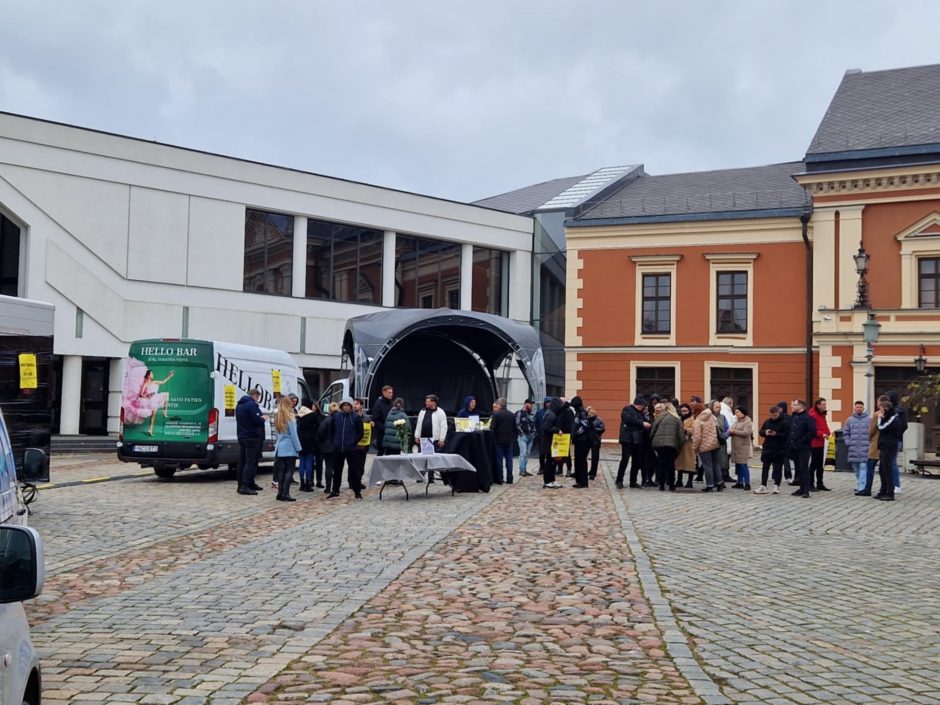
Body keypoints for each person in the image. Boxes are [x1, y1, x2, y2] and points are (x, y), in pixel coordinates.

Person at [327, 397, 364, 499]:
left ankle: (357, 491)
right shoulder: (336, 417)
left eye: (348, 405)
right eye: (344, 405)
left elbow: (360, 433)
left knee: (354, 471)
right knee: (337, 470)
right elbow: (331, 431)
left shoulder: (356, 418)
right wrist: (334, 442)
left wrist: (353, 442)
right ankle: (335, 490)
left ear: (351, 406)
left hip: (351, 449)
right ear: (341, 406)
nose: (346, 407)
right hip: (338, 448)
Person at [235, 388, 265, 495]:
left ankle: (242, 484)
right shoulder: (252, 405)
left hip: (242, 435)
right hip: (251, 437)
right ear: (255, 395)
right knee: (250, 462)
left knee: (242, 461)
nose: (257, 400)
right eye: (258, 398)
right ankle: (245, 485)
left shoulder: (239, 405)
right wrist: (263, 418)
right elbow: (257, 420)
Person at [616, 396, 650, 489]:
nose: (642, 407)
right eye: (641, 405)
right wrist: (642, 423)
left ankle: (633, 481)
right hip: (627, 439)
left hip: (637, 439)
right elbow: (628, 419)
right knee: (625, 460)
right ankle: (619, 480)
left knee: (636, 461)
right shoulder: (627, 409)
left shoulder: (640, 413)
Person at [875, 399, 906, 501]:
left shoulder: (894, 418)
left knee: (888, 470)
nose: (880, 411)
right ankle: (883, 490)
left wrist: (879, 418)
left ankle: (890, 492)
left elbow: (881, 428)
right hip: (884, 445)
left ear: (885, 409)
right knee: (882, 470)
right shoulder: (887, 417)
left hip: (890, 446)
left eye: (881, 409)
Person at [650, 401, 684, 491]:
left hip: (659, 444)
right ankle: (671, 484)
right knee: (671, 464)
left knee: (661, 463)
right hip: (672, 444)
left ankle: (661, 484)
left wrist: (652, 441)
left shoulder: (660, 417)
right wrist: (680, 444)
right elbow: (681, 434)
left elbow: (653, 430)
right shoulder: (677, 419)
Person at [273, 396, 302, 502]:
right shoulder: (290, 417)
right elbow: (294, 435)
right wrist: (299, 448)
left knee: (281, 471)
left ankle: (280, 493)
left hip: (280, 448)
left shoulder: (278, 416)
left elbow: (277, 434)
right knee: (289, 471)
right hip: (289, 447)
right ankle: (286, 493)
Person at [755, 405, 789, 494]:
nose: (773, 417)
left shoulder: (784, 423)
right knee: (765, 468)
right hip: (767, 448)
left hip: (779, 449)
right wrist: (765, 432)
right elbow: (761, 432)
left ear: (779, 413)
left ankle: (776, 486)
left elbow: (786, 435)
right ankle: (763, 486)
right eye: (771, 415)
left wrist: (776, 434)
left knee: (778, 468)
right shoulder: (767, 422)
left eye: (775, 415)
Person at [788, 399, 816, 498]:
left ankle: (806, 490)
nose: (792, 406)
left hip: (804, 447)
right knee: (798, 469)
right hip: (794, 447)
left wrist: (802, 440)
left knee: (804, 468)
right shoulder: (794, 417)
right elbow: (791, 431)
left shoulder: (808, 418)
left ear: (801, 406)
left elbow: (812, 432)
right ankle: (801, 488)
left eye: (795, 405)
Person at [842, 400, 871, 495]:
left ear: (863, 408)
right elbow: (845, 432)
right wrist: (848, 442)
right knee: (856, 469)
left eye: (860, 407)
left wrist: (870, 444)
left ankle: (861, 487)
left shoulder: (869, 419)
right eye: (857, 407)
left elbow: (873, 433)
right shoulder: (850, 420)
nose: (859, 409)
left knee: (863, 467)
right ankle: (859, 483)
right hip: (853, 448)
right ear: (854, 408)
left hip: (865, 448)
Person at [692, 403, 723, 492]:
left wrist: (695, 448)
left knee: (707, 466)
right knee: (716, 464)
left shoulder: (697, 421)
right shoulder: (712, 417)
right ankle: (720, 483)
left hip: (704, 447)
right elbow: (717, 429)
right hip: (715, 444)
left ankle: (710, 485)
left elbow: (697, 437)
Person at [139, 369, 175, 436]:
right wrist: (148, 395)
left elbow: (163, 382)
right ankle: (150, 430)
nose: (153, 375)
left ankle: (164, 412)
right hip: (151, 400)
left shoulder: (154, 382)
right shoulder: (145, 384)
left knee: (166, 394)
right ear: (148, 375)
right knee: (153, 415)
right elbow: (141, 394)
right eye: (152, 374)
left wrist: (169, 376)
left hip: (156, 397)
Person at [569, 396, 595, 488]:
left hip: (583, 441)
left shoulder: (582, 413)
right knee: (578, 461)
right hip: (579, 440)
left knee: (581, 461)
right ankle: (579, 480)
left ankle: (583, 482)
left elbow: (585, 426)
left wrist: (576, 434)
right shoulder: (579, 412)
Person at [490, 398, 517, 484]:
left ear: (500, 405)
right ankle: (510, 478)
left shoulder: (496, 415)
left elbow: (492, 428)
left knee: (499, 460)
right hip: (509, 441)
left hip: (499, 440)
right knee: (509, 460)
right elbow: (515, 429)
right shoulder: (512, 415)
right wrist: (513, 438)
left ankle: (500, 479)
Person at [885, 390, 907, 495]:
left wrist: (896, 434)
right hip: (888, 439)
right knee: (889, 462)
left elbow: (904, 425)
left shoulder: (899, 411)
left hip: (895, 439)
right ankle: (890, 485)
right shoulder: (889, 409)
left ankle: (896, 485)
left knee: (892, 462)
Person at [809, 398, 832, 491]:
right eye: (823, 405)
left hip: (822, 442)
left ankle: (820, 483)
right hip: (815, 443)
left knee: (820, 465)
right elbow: (812, 429)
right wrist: (821, 434)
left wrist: (828, 432)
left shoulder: (822, 414)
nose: (825, 406)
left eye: (825, 405)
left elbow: (824, 426)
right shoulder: (813, 415)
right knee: (813, 464)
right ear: (818, 405)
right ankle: (810, 484)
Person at [540, 397, 564, 489]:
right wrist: (557, 430)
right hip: (549, 442)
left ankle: (551, 480)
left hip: (550, 442)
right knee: (550, 462)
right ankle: (548, 481)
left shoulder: (550, 413)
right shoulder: (551, 415)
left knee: (552, 462)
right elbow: (546, 428)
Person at [296, 402, 319, 492]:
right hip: (310, 442)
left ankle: (302, 483)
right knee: (309, 462)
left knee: (302, 463)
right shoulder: (312, 416)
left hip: (301, 442)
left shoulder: (299, 416)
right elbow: (317, 427)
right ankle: (308, 483)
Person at [317, 402, 339, 495]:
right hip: (338, 446)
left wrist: (320, 442)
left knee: (329, 467)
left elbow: (320, 432)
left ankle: (328, 487)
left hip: (327, 446)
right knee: (337, 467)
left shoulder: (327, 420)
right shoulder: (340, 419)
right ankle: (336, 487)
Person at [729, 406, 753, 490]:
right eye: (735, 412)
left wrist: (734, 431)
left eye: (737, 412)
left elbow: (746, 433)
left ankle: (747, 483)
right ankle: (739, 482)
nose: (736, 414)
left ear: (743, 413)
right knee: (737, 465)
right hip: (736, 447)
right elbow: (731, 428)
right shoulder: (736, 421)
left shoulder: (747, 422)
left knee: (743, 465)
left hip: (743, 447)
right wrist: (731, 431)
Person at [676, 403, 697, 489]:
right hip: (680, 443)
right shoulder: (678, 418)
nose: (684, 412)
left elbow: (694, 429)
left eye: (685, 411)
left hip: (689, 443)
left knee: (690, 462)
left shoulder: (692, 419)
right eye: (682, 411)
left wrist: (686, 430)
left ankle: (689, 481)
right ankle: (679, 480)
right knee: (679, 462)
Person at [515, 399, 536, 477]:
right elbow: (517, 424)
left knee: (527, 454)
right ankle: (522, 470)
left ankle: (524, 469)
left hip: (530, 437)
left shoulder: (531, 414)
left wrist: (533, 434)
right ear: (525, 404)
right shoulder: (519, 413)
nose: (531, 406)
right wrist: (521, 434)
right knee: (523, 453)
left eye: (532, 404)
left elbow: (534, 425)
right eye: (530, 404)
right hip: (523, 437)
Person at [371, 385, 394, 456]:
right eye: (389, 392)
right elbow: (375, 419)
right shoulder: (378, 404)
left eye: (392, 392)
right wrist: (384, 429)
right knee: (381, 452)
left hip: (391, 433)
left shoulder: (391, 403)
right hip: (382, 434)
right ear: (384, 392)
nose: (391, 394)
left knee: (390, 453)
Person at [714, 399, 733, 483]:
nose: (718, 409)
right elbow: (728, 427)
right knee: (719, 461)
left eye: (719, 407)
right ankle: (720, 478)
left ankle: (722, 477)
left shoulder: (723, 414)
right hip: (718, 441)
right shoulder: (725, 412)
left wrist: (726, 435)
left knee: (722, 460)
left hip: (723, 440)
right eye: (716, 407)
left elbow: (727, 427)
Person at [586, 406, 605, 480]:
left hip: (595, 440)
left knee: (595, 457)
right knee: (585, 456)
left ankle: (593, 473)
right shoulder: (587, 419)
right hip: (587, 440)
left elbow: (602, 429)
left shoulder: (598, 420)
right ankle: (588, 471)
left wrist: (594, 429)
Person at [777, 401, 793, 481]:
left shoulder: (787, 418)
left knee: (785, 459)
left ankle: (788, 475)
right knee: (777, 460)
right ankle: (776, 476)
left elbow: (790, 429)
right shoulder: (777, 416)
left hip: (784, 441)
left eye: (779, 407)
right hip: (779, 441)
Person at [535, 397, 552, 474]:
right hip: (541, 435)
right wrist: (538, 432)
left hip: (550, 435)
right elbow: (536, 423)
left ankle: (550, 467)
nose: (548, 404)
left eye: (549, 402)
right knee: (541, 453)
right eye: (547, 402)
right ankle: (542, 467)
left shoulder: (553, 412)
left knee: (550, 453)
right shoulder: (539, 412)